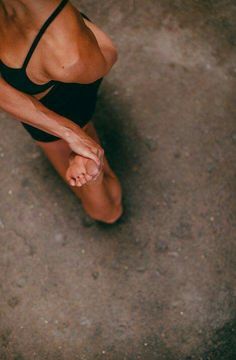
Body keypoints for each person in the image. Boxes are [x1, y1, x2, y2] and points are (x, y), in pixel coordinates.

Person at [0, 0, 123, 224]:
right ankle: (87, 156)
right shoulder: (66, 48)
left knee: (107, 212)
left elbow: (106, 57)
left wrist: (70, 131)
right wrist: (70, 133)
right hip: (49, 84)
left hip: (59, 104)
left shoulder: (69, 53)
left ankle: (91, 170)